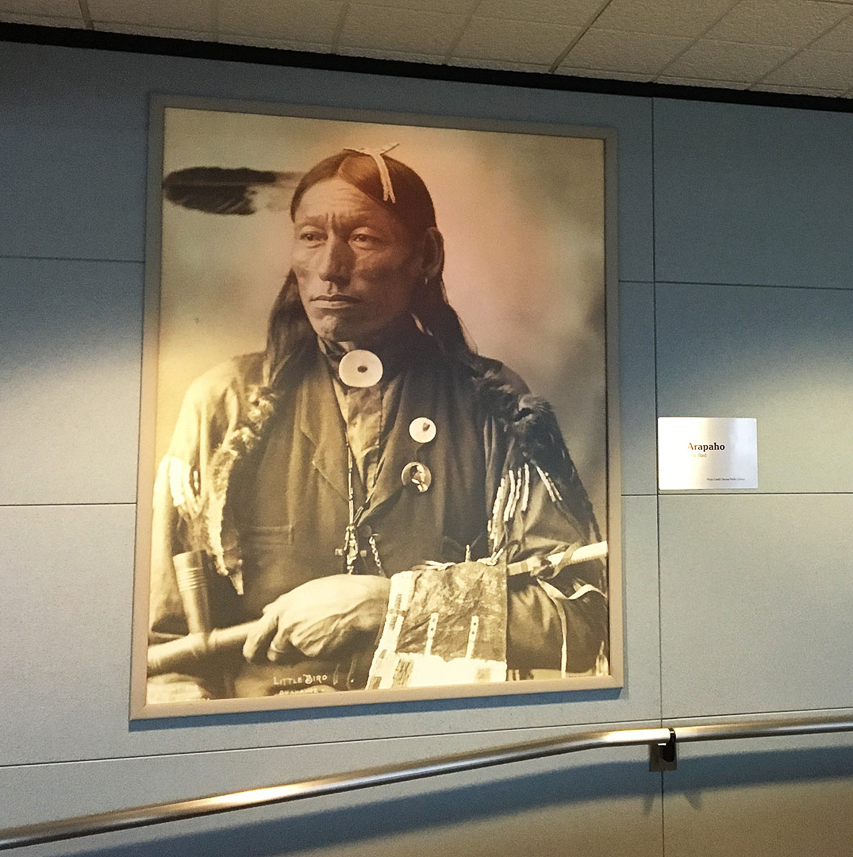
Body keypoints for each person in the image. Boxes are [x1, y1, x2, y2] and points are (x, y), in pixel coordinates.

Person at [147, 146, 608, 703]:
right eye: (311, 237)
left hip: (436, 733)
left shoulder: (492, 403)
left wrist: (388, 606)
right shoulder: (223, 403)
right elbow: (166, 657)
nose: (329, 269)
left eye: (363, 239)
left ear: (426, 256)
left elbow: (577, 618)